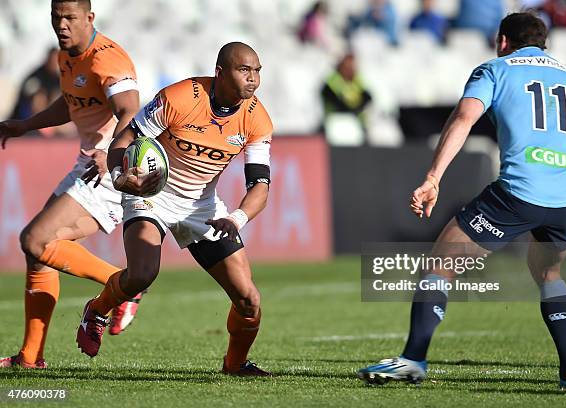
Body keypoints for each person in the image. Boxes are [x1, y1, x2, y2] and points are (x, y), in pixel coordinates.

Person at [358, 12, 566, 390]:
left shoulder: (494, 70)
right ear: (543, 43)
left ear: (503, 41)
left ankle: (413, 359)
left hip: (518, 194)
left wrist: (432, 178)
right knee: (550, 275)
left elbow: (463, 119)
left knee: (440, 264)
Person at [75, 42, 274, 377]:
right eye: (244, 70)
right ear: (220, 73)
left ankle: (235, 364)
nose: (253, 79)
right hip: (152, 193)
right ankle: (97, 309)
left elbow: (260, 186)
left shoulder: (257, 118)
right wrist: (122, 176)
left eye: (257, 71)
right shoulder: (181, 97)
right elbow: (123, 141)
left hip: (202, 206)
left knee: (249, 301)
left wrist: (236, 218)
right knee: (142, 274)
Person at [0, 0, 145, 369]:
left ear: (90, 18)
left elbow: (130, 110)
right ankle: (30, 357)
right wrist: (25, 125)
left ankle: (126, 284)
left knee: (35, 239)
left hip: (113, 168)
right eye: (56, 17)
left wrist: (113, 151)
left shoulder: (107, 60)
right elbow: (71, 104)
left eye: (70, 18)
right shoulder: (68, 57)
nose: (61, 25)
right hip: (88, 163)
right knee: (38, 253)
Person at [321, 53, 372, 131]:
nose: (351, 68)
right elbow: (338, 104)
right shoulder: (332, 81)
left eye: (352, 66)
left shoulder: (357, 80)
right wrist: (355, 108)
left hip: (356, 123)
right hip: (336, 122)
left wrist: (357, 108)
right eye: (347, 66)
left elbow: (368, 97)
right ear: (341, 66)